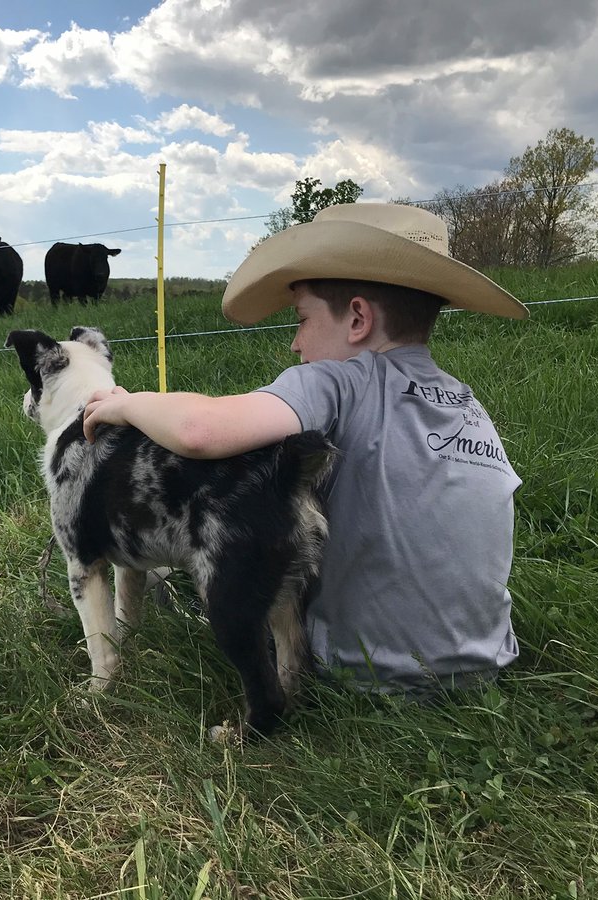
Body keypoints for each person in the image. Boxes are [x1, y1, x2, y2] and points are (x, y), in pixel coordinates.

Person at [82, 202, 528, 696]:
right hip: (487, 661)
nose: (296, 343)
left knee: (226, 544)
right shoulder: (467, 402)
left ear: (358, 319)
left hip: (365, 670)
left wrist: (128, 403)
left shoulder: (337, 380)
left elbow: (199, 432)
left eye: (302, 319)